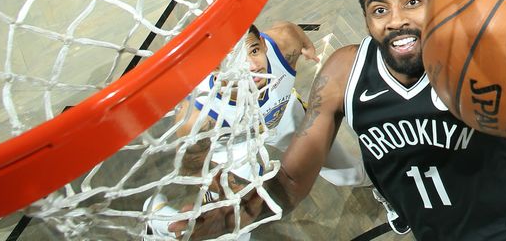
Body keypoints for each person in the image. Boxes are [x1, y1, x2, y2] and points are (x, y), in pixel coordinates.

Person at [177, 0, 506, 240]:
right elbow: (293, 181)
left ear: (441, 1)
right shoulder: (345, 72)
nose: (395, 21)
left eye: (413, 1)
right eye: (379, 9)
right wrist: (231, 214)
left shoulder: (480, 51)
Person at [144, 22, 367, 239]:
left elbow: (296, 34)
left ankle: (388, 190)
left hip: (281, 116)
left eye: (253, 50)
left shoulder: (284, 42)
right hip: (233, 143)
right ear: (213, 68)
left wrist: (307, 48)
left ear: (262, 43)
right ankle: (159, 219)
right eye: (234, 60)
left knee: (351, 174)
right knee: (239, 223)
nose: (252, 65)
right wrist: (237, 190)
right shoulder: (195, 117)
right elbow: (192, 166)